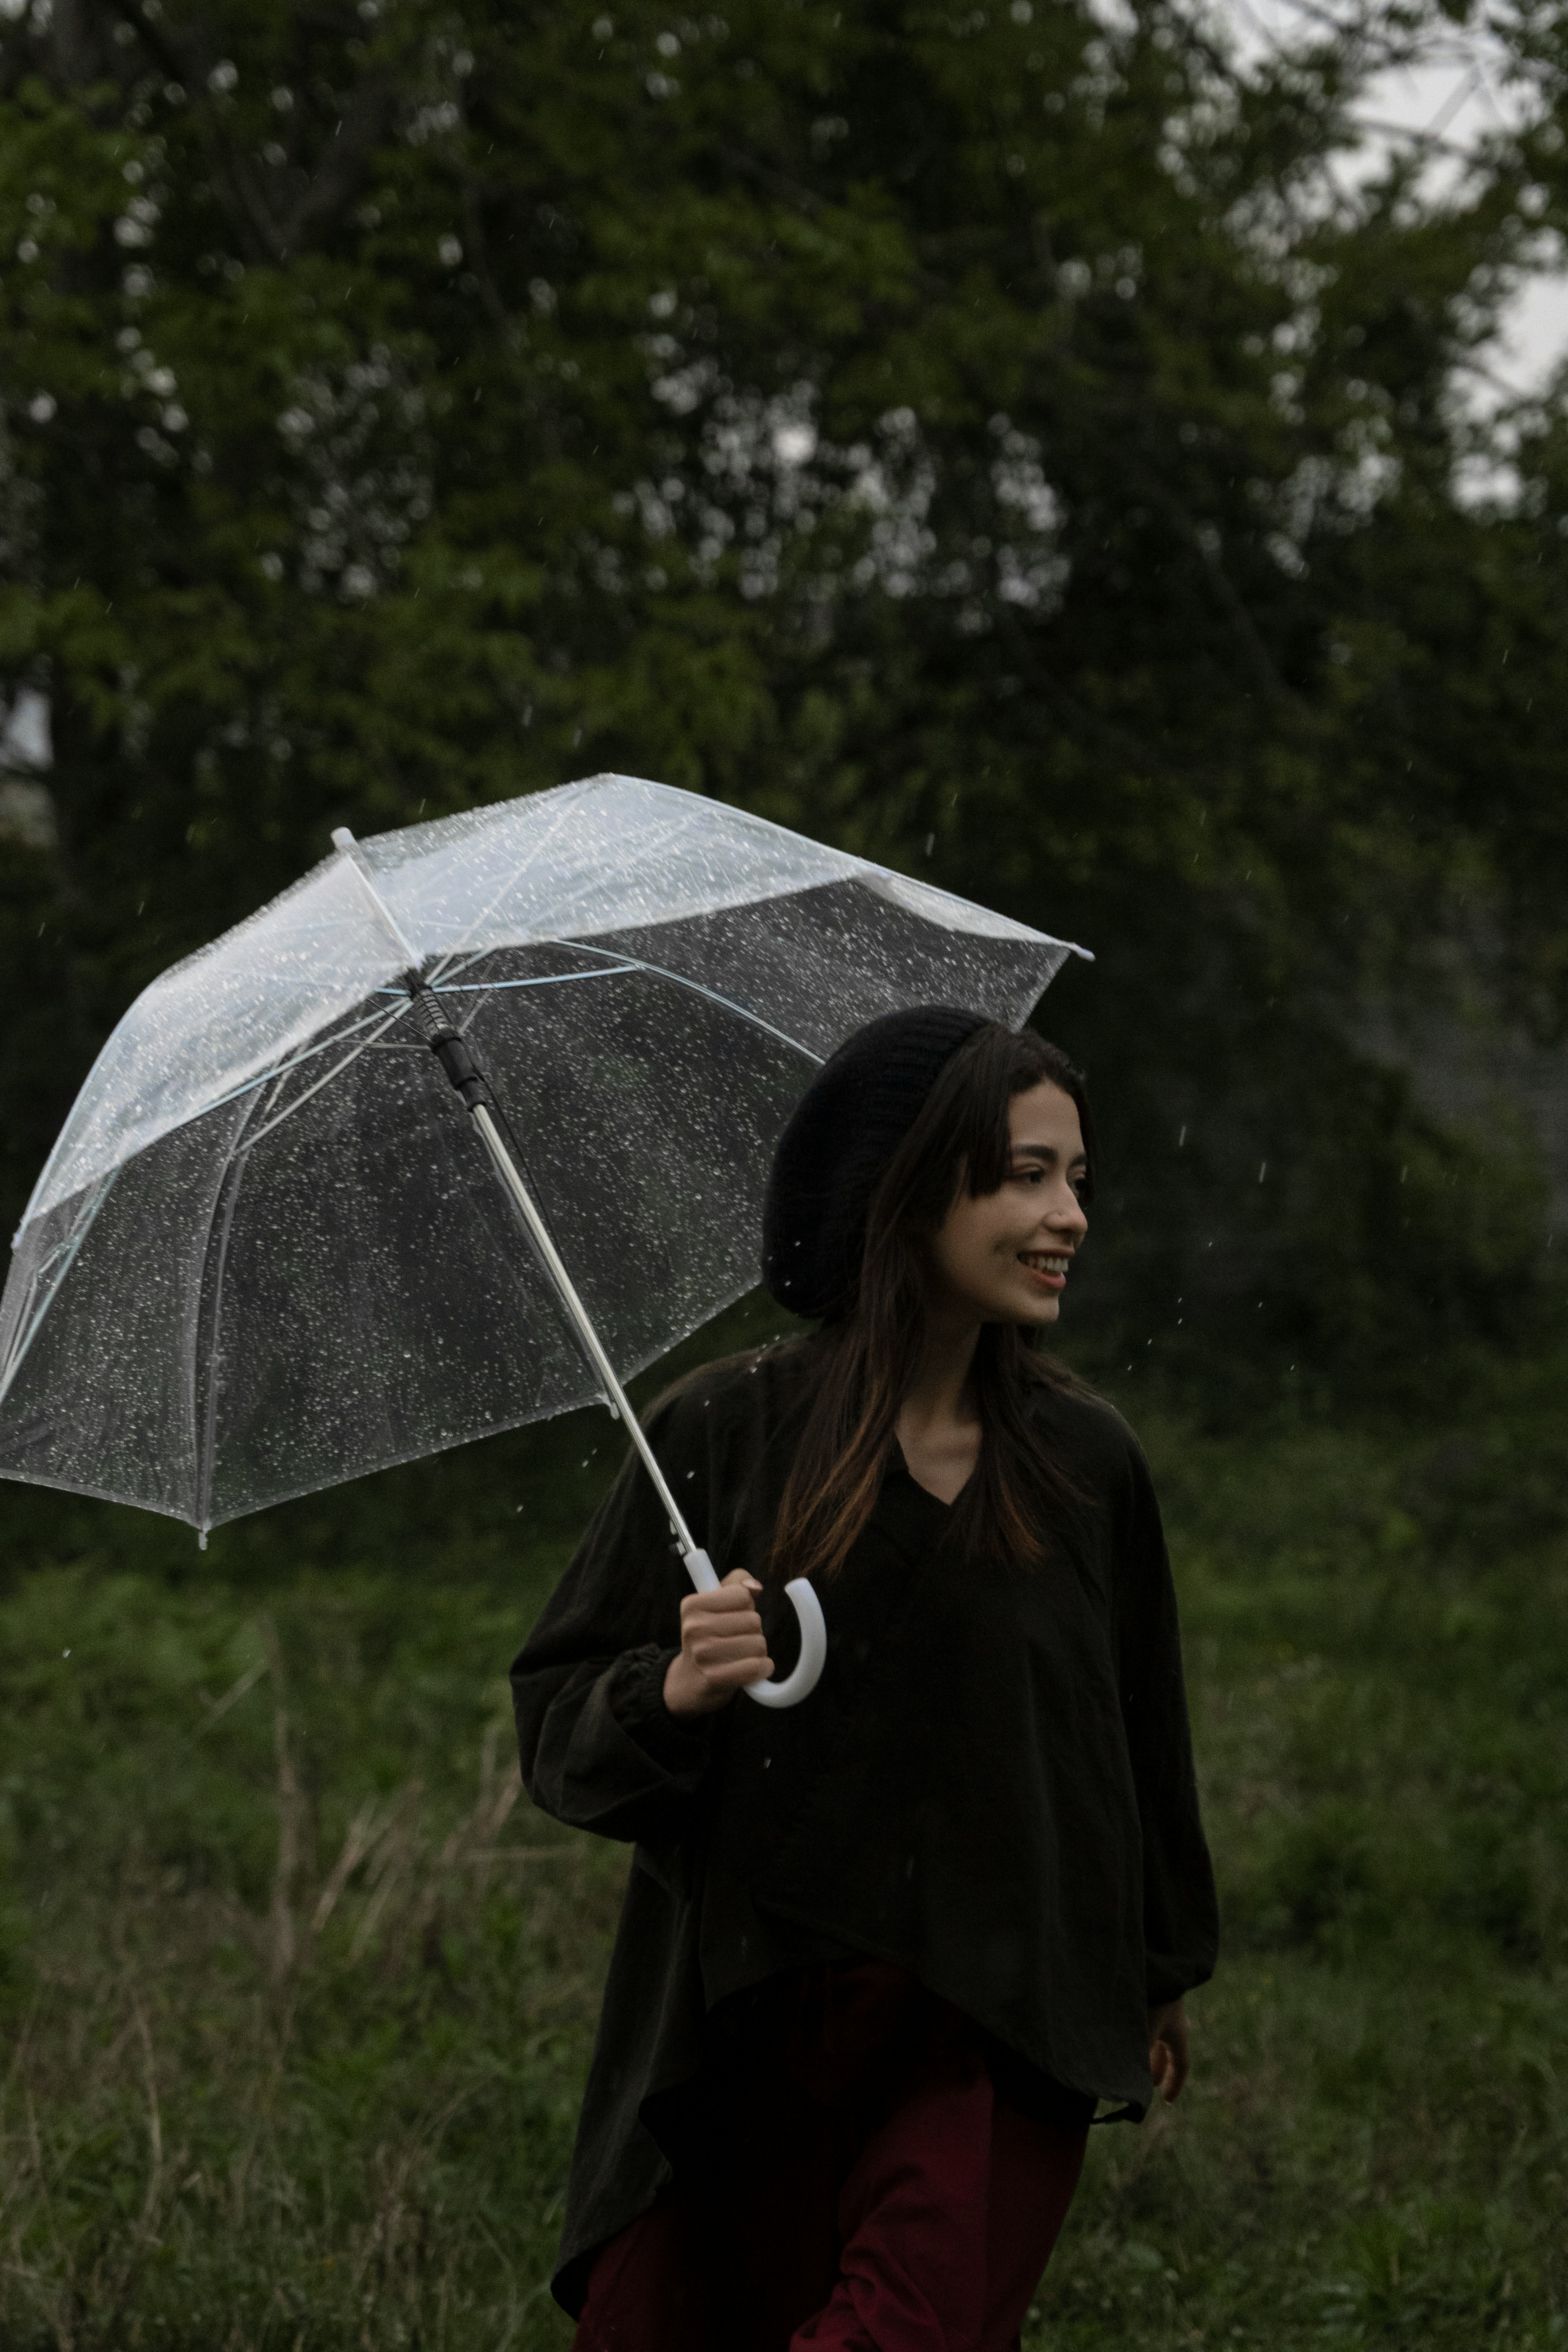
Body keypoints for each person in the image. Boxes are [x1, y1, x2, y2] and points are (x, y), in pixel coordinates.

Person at [510, 1007, 1218, 2351]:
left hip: (994, 2024)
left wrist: (1157, 1967)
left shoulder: (1085, 1460)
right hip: (752, 2015)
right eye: (1026, 1176)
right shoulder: (723, 1431)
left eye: (1077, 1178)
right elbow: (559, 1719)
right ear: (909, 1188)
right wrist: (673, 1688)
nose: (1071, 1215)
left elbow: (1135, 1729)